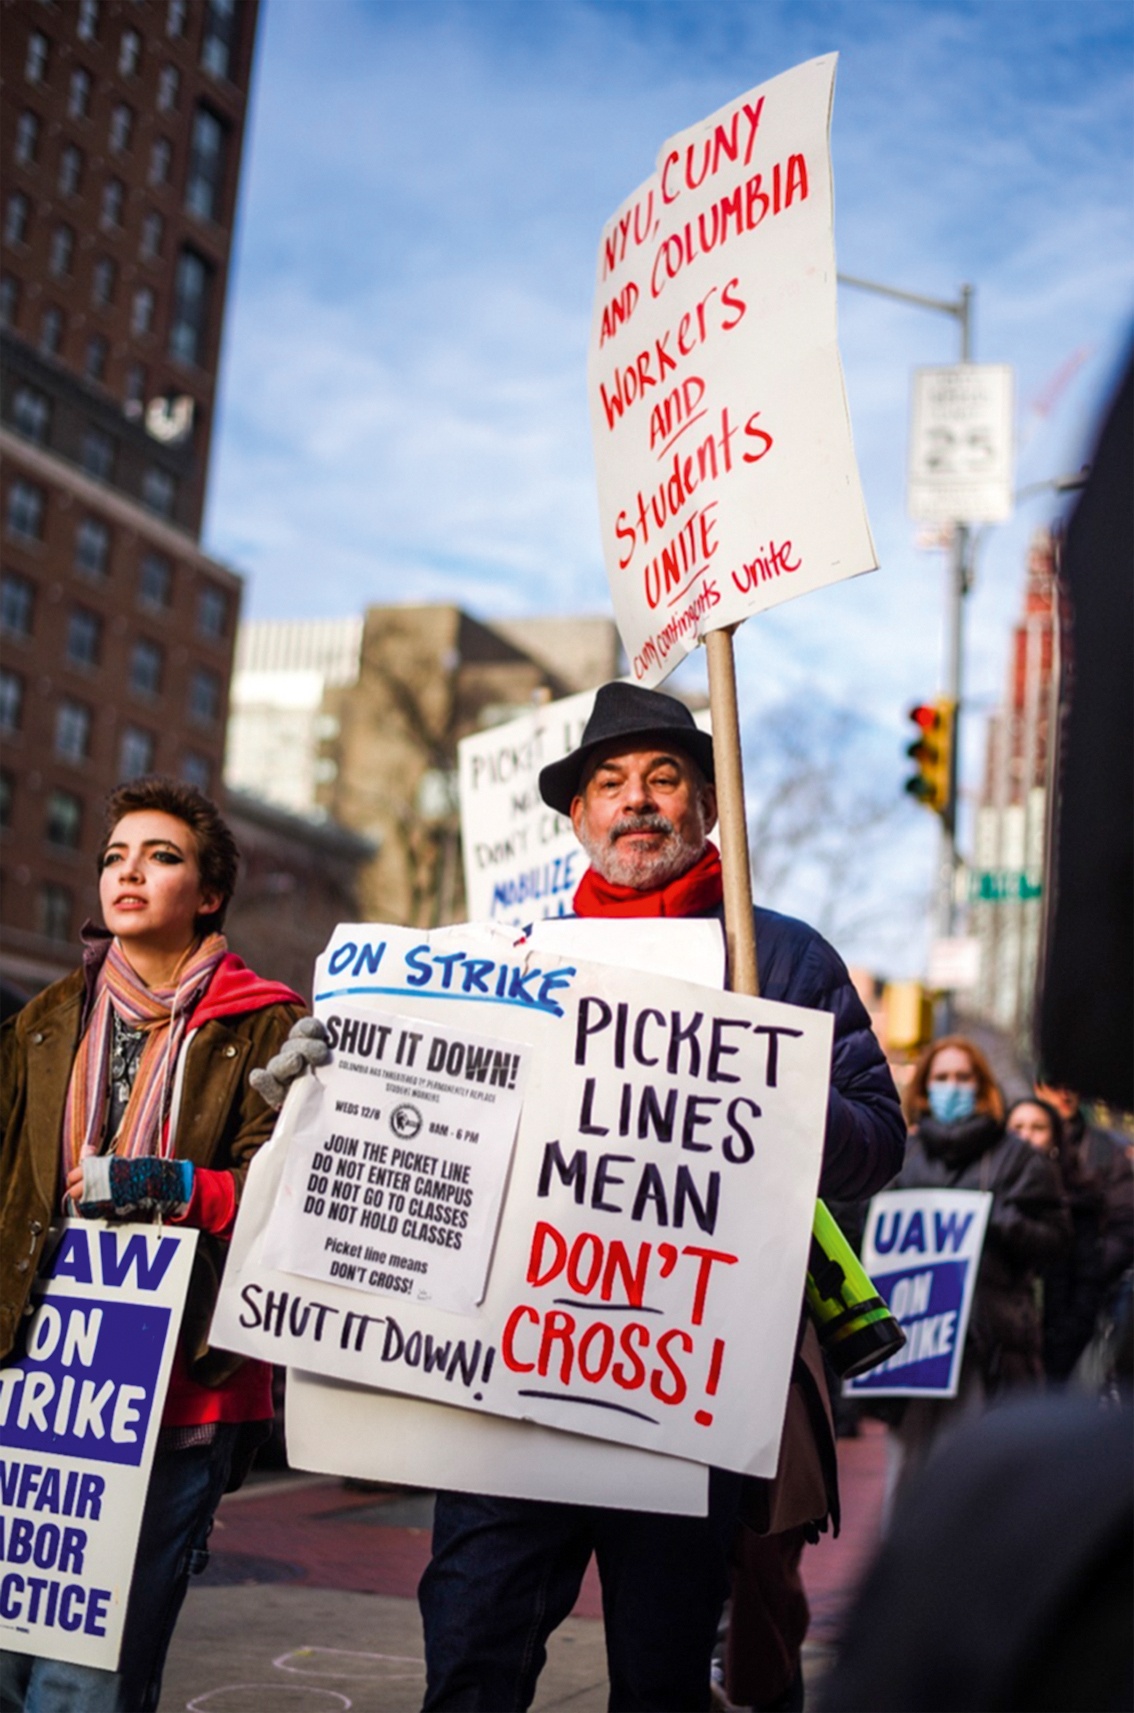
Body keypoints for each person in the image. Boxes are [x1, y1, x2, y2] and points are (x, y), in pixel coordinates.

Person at [409, 682, 906, 1712]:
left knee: (662, 1681)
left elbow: (878, 1144)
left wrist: (770, 1073)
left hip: (686, 1394)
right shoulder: (509, 961)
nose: (638, 801)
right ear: (579, 817)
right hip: (516, 1383)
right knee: (469, 1663)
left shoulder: (784, 959)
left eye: (665, 779)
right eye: (611, 783)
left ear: (707, 809)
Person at [0, 777, 304, 1713]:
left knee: (85, 1678)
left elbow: (279, 1199)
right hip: (39, 1383)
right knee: (9, 1664)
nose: (128, 872)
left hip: (178, 1388)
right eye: (114, 857)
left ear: (209, 893)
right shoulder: (46, 1020)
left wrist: (152, 1182)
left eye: (161, 856)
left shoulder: (267, 1024)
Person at [890, 1038, 1069, 1492]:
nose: (953, 1087)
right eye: (943, 1078)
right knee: (909, 1474)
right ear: (925, 1089)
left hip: (984, 1342)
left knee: (969, 1477)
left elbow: (1056, 1241)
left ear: (982, 1086)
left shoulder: (1017, 1159)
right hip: (911, 1343)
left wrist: (996, 1218)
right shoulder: (904, 1156)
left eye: (963, 1078)